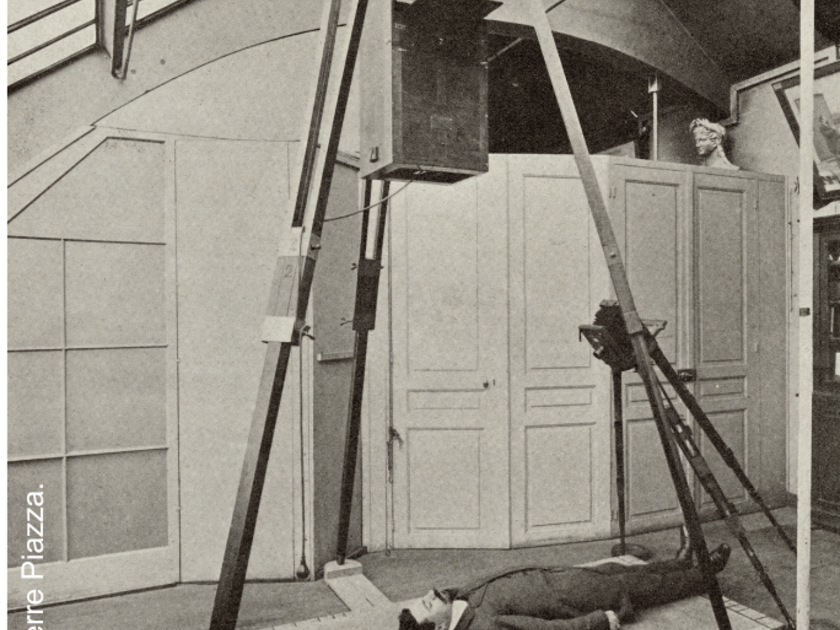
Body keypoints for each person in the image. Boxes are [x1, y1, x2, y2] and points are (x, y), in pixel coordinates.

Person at [397, 543, 731, 630]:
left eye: (424, 597)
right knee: (639, 587)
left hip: (562, 577)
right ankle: (705, 574)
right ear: (438, 627)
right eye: (428, 604)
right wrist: (597, 622)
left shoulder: (459, 598)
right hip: (570, 598)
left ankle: (680, 563)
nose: (430, 594)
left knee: (619, 570)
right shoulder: (484, 626)